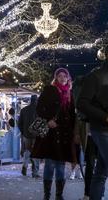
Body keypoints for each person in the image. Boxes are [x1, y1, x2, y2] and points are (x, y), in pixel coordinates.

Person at [77, 43, 108, 200]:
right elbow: (82, 103)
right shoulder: (96, 77)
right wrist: (104, 117)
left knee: (100, 174)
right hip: (102, 130)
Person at [32, 68, 77, 200]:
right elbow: (39, 108)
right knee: (50, 164)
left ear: (68, 78)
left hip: (64, 134)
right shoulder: (49, 90)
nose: (62, 78)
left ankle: (59, 195)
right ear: (56, 78)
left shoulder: (70, 93)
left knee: (61, 164)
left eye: (65, 76)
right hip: (51, 132)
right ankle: (47, 195)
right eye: (60, 76)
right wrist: (48, 120)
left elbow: (72, 114)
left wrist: (74, 133)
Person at [18, 95, 40, 177]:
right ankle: (35, 172)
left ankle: (25, 166)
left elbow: (19, 123)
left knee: (27, 151)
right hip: (36, 136)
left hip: (26, 135)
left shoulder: (24, 110)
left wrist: (24, 132)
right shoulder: (39, 110)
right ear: (36, 101)